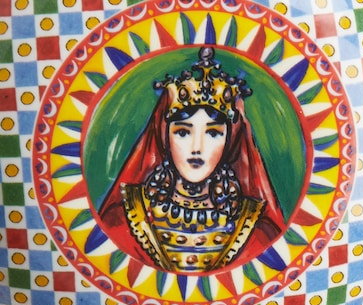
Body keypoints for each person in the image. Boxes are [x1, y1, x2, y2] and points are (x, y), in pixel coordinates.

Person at [97, 45, 284, 273]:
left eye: (213, 133)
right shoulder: (122, 219)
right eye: (183, 132)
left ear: (231, 140)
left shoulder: (258, 230)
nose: (197, 148)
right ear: (164, 136)